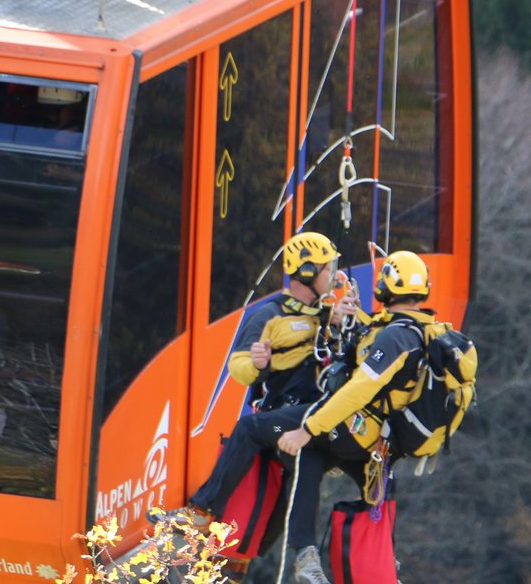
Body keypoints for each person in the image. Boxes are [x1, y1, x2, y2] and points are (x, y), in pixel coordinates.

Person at [173, 250, 436, 584]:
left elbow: (355, 391)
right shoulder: (415, 330)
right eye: (329, 269)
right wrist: (259, 362)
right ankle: (351, 562)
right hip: (364, 436)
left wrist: (309, 427)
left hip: (338, 424)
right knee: (323, 467)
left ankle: (204, 512)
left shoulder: (382, 332)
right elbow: (240, 367)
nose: (333, 275)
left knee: (263, 433)